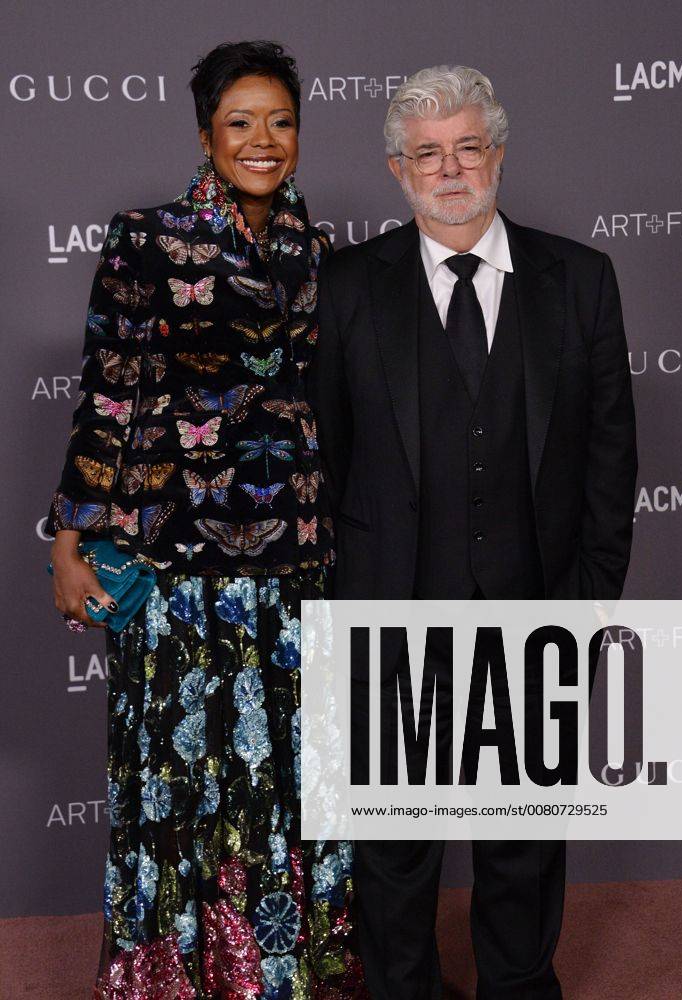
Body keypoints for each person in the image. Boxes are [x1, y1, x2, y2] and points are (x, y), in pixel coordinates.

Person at [308, 66, 637, 999]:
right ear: (394, 167)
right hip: (386, 615)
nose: (448, 168)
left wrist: (582, 606)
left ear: (496, 151)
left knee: (521, 843)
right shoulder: (344, 287)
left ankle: (519, 986)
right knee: (396, 851)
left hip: (536, 613)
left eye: (464, 146)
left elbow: (612, 463)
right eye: (425, 153)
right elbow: (321, 462)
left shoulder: (580, 280)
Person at [47, 40, 365, 999]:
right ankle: (181, 976)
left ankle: (289, 971)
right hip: (182, 568)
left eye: (280, 121)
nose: (262, 140)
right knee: (185, 783)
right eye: (240, 122)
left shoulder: (323, 255)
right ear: (204, 134)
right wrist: (69, 540)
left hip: (303, 563)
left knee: (296, 782)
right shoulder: (147, 238)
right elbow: (108, 396)